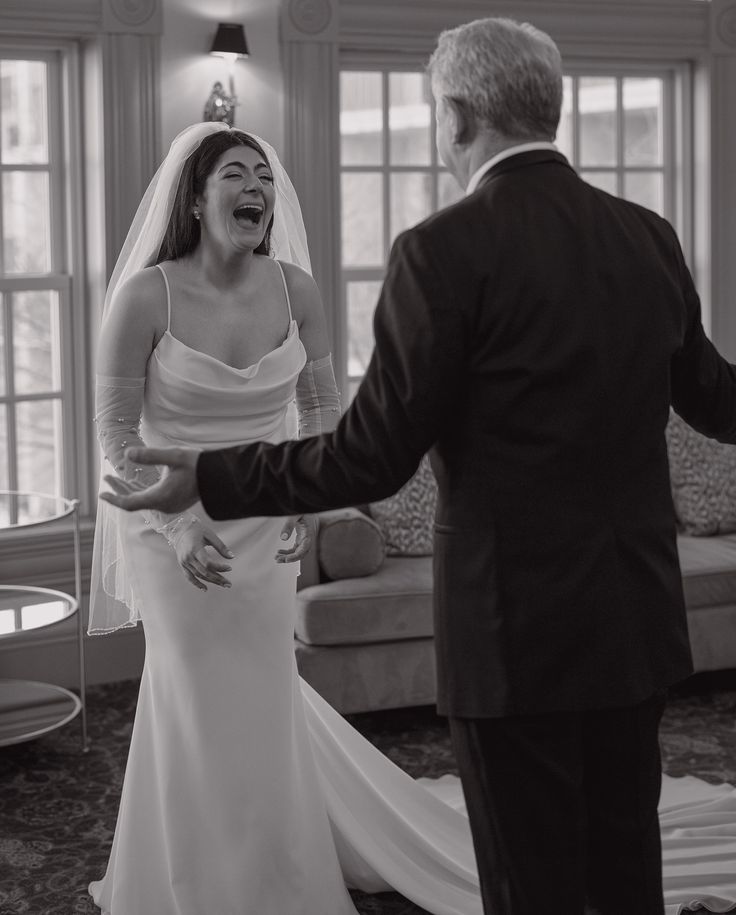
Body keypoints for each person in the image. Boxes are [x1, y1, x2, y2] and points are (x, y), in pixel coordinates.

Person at [102, 16, 736, 915]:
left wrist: (209, 477)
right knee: (625, 868)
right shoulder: (648, 236)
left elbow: (370, 455)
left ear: (458, 116)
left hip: (513, 632)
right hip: (635, 619)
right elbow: (717, 398)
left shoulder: (441, 252)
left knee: (531, 884)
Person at [88, 121, 485, 915]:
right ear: (197, 200)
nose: (255, 188)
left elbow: (324, 404)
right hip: (171, 530)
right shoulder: (146, 295)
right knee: (193, 694)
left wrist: (314, 494)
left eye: (263, 175)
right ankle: (196, 884)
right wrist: (180, 525)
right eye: (234, 174)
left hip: (266, 522)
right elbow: (115, 433)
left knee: (263, 691)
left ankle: (274, 872)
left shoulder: (296, 289)